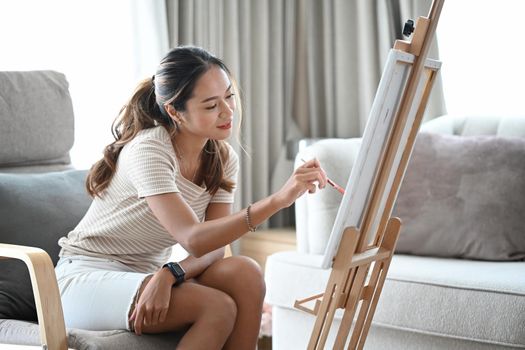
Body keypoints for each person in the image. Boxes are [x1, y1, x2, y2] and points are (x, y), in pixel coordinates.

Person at [56, 45, 327, 350]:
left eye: (229, 96)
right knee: (217, 307)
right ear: (174, 111)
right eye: (211, 106)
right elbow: (194, 239)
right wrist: (277, 200)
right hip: (86, 278)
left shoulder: (222, 157)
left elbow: (216, 246)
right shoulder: (150, 149)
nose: (227, 112)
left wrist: (172, 272)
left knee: (245, 273)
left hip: (147, 275)